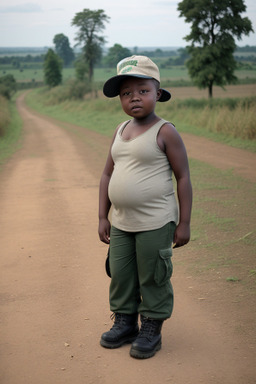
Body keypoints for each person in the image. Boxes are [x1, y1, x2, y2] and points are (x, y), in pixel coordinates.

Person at [98, 55, 192, 359]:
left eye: (142, 90)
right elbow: (107, 174)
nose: (134, 97)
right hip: (123, 222)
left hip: (156, 221)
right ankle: (125, 322)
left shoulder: (165, 132)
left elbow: (183, 177)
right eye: (126, 93)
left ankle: (152, 326)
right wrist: (103, 215)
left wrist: (184, 222)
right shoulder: (120, 129)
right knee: (121, 273)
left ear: (158, 93)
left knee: (153, 274)